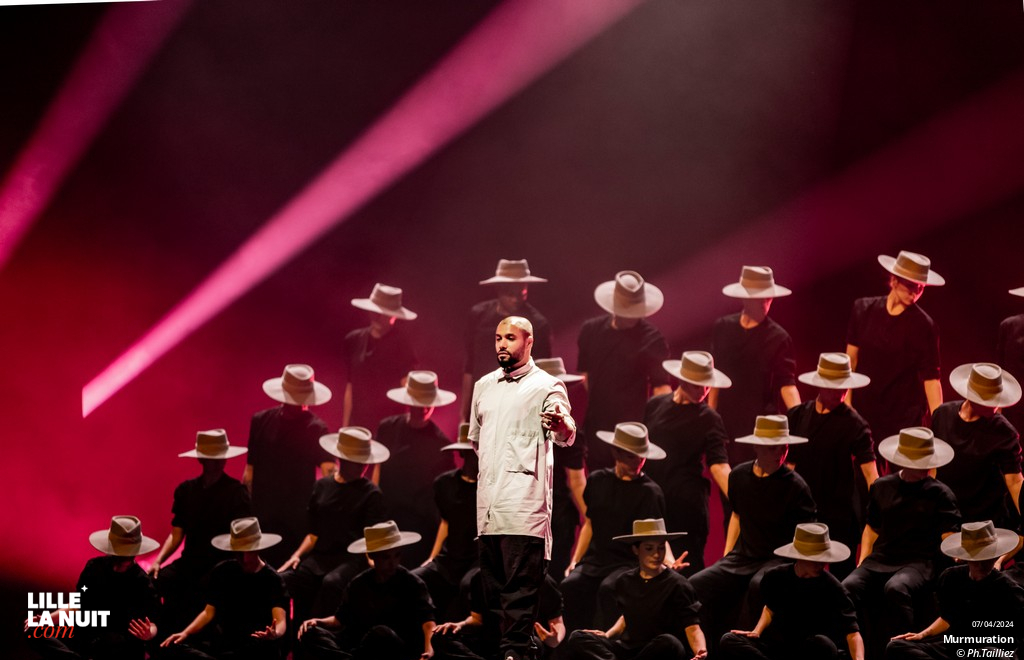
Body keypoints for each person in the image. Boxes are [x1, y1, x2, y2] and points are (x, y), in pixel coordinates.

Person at [469, 315, 576, 660]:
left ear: (529, 342)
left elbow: (565, 430)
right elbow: (477, 442)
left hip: (524, 513)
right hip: (489, 512)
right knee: (496, 605)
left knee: (518, 606)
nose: (501, 343)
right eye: (498, 337)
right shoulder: (483, 385)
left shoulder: (547, 385)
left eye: (510, 338)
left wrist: (560, 423)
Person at [689, 415, 816, 657]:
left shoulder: (796, 487)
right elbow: (737, 515)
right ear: (757, 447)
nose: (778, 454)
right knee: (696, 584)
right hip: (742, 556)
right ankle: (707, 652)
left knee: (760, 585)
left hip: (777, 559)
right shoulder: (739, 476)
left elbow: (805, 539)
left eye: (782, 447)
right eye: (770, 448)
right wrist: (726, 555)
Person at [842, 427, 960, 658]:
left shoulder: (940, 494)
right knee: (847, 587)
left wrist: (960, 556)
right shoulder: (882, 486)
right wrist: (863, 559)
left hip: (920, 561)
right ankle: (856, 652)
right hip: (882, 557)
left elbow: (949, 536)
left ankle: (903, 651)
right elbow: (871, 527)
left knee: (896, 588)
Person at [562, 422, 668, 632]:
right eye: (631, 456)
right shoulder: (598, 480)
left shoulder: (650, 492)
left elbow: (656, 535)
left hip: (628, 563)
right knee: (569, 586)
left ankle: (605, 647)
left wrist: (669, 562)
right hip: (596, 560)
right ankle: (574, 647)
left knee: (608, 589)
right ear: (616, 453)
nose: (638, 462)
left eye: (641, 456)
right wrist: (575, 560)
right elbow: (590, 524)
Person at [279, 427, 388, 623]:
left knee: (331, 584)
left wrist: (374, 563)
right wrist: (295, 556)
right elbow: (313, 534)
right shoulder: (322, 486)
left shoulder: (371, 493)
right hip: (320, 557)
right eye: (358, 461)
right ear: (343, 459)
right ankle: (291, 639)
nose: (363, 466)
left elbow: (370, 539)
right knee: (287, 580)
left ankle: (316, 633)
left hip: (351, 559)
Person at [150, 429, 252, 633]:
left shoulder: (236, 493)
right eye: (210, 458)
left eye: (218, 458)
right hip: (190, 561)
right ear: (201, 460)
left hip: (222, 564)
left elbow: (244, 538)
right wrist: (159, 560)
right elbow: (176, 533)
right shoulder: (186, 491)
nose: (215, 462)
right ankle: (156, 637)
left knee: (202, 592)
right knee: (155, 582)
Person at [786, 353, 877, 579]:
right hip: (804, 512)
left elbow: (871, 473)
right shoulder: (799, 416)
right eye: (833, 387)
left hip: (840, 515)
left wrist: (879, 506)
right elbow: (788, 465)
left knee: (840, 580)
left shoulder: (855, 424)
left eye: (843, 387)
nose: (839, 393)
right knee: (799, 576)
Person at [562, 518, 707, 660]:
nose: (656, 554)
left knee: (669, 642)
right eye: (649, 548)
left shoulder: (678, 584)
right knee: (578, 637)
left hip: (658, 649)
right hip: (629, 649)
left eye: (661, 548)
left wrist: (700, 652)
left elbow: (693, 628)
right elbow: (627, 616)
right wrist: (607, 635)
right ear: (636, 549)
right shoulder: (625, 580)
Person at [846, 251, 944, 458]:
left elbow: (931, 379)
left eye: (921, 287)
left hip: (903, 416)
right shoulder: (863, 309)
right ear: (894, 280)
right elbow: (850, 360)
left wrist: (942, 423)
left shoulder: (924, 326)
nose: (916, 291)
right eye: (911, 285)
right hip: (865, 408)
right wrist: (847, 402)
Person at [720, 523, 864, 660]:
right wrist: (756, 632)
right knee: (729, 640)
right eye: (815, 559)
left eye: (823, 559)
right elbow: (770, 607)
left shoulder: (833, 588)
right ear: (800, 557)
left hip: (810, 650)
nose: (821, 564)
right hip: (780, 647)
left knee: (822, 644)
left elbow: (853, 633)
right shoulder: (775, 576)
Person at [645, 350, 732, 575]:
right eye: (697, 385)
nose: (703, 392)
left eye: (707, 386)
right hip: (654, 502)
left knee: (687, 571)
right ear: (682, 380)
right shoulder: (655, 405)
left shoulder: (709, 418)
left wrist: (741, 494)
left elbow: (719, 464)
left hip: (687, 506)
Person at [297, 521, 436, 660]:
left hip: (395, 646)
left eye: (397, 555)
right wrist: (317, 622)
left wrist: (429, 650)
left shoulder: (412, 583)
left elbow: (428, 622)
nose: (393, 562)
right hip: (360, 647)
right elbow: (340, 619)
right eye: (386, 557)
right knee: (310, 633)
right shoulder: (359, 583)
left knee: (381, 634)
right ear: (372, 556)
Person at [26, 516, 159, 660]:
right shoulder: (94, 568)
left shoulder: (142, 582)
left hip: (119, 646)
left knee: (116, 644)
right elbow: (78, 604)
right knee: (33, 631)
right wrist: (47, 619)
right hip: (90, 637)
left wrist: (148, 633)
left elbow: (153, 623)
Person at [886, 520, 1024, 659]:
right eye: (978, 557)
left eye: (987, 556)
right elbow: (947, 617)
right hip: (954, 649)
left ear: (995, 556)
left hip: (987, 652)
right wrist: (923, 634)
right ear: (966, 557)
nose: (982, 563)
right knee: (896, 646)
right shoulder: (951, 578)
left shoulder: (1009, 589)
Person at [577, 270, 671, 471]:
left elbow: (661, 388)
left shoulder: (651, 339)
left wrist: (661, 428)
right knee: (597, 489)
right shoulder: (590, 331)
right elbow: (585, 375)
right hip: (597, 429)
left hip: (632, 434)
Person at [245, 364, 334, 566]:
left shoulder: (316, 428)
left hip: (296, 518)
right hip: (269, 515)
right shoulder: (261, 421)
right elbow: (249, 474)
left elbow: (330, 475)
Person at [160, 517, 288, 660]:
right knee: (174, 648)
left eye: (246, 551)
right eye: (238, 552)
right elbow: (208, 613)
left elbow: (280, 621)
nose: (242, 558)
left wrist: (274, 633)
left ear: (257, 548)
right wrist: (185, 633)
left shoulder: (273, 580)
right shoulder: (223, 571)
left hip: (257, 647)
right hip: (226, 647)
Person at [710, 266, 800, 467]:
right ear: (744, 298)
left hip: (761, 429)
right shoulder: (723, 327)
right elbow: (715, 376)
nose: (765, 302)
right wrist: (710, 417)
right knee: (729, 485)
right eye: (759, 297)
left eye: (768, 297)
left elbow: (787, 384)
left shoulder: (779, 338)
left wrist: (801, 420)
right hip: (728, 424)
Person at [376, 370, 456, 566]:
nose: (420, 408)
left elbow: (444, 495)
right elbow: (377, 470)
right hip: (387, 516)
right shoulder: (387, 428)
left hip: (419, 525)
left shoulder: (441, 445)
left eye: (425, 403)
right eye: (416, 403)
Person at [932, 362, 1022, 532]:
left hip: (985, 522)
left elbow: (1015, 482)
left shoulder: (1004, 432)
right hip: (946, 515)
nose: (995, 405)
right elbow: (933, 469)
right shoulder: (942, 415)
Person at [461, 259, 553, 421]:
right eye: (510, 294)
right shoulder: (478, 315)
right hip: (480, 405)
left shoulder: (538, 325)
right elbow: (470, 366)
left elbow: (542, 376)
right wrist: (464, 414)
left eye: (522, 294)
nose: (516, 300)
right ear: (498, 289)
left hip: (516, 411)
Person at [414, 423, 480, 621]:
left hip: (476, 558)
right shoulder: (445, 483)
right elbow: (446, 522)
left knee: (468, 586)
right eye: (469, 453)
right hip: (449, 556)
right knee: (415, 579)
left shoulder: (490, 486)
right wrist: (432, 557)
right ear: (462, 454)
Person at [432, 569, 565, 660]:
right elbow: (477, 619)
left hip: (523, 644)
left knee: (528, 645)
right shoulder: (480, 577)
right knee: (441, 636)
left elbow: (557, 623)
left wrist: (554, 639)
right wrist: (459, 625)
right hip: (490, 642)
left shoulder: (540, 579)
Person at [535, 357, 588, 580]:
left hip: (557, 515)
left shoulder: (570, 431)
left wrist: (590, 518)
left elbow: (576, 481)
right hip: (528, 511)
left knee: (552, 577)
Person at [343, 283, 419, 428]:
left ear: (394, 316)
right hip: (358, 423)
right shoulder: (353, 340)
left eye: (383, 313)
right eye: (375, 312)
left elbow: (407, 390)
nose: (378, 317)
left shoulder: (402, 345)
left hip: (388, 426)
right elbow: (350, 387)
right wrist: (345, 426)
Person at [997, 285, 1024, 435]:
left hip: (1011, 406)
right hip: (1012, 406)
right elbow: (1001, 370)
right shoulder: (1008, 326)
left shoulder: (1008, 325)